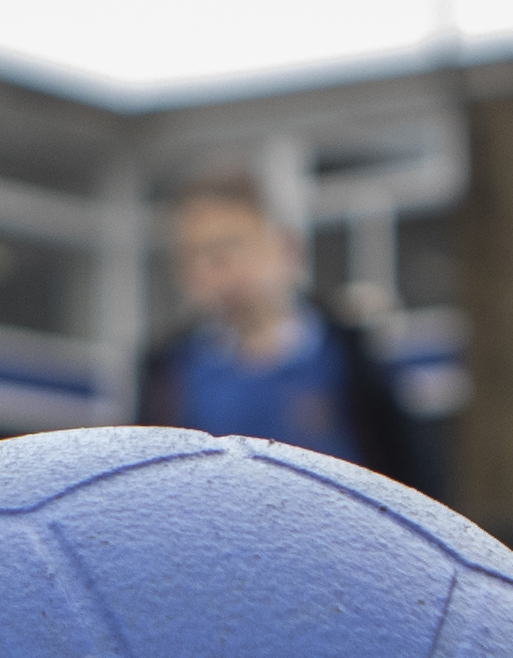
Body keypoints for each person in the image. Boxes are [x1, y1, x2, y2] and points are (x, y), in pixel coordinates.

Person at [135, 168, 437, 489]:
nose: (211, 269)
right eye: (194, 255)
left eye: (228, 248)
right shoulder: (167, 375)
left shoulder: (352, 359)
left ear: (285, 249)